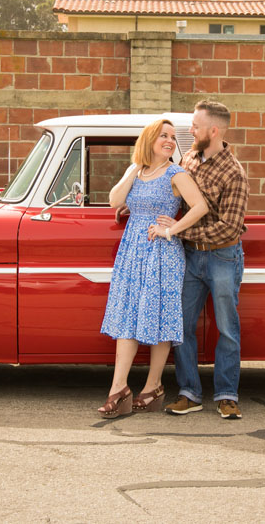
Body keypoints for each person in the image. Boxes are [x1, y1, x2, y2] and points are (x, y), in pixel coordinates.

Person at [97, 119, 208, 418]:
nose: (170, 141)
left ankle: (153, 386)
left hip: (162, 253)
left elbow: (199, 207)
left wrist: (173, 230)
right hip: (132, 250)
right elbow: (114, 200)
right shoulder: (138, 171)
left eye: (173, 137)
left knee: (159, 317)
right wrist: (135, 168)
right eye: (164, 136)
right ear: (149, 140)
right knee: (127, 315)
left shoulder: (176, 173)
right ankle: (118, 388)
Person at [157, 100, 249, 420]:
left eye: (195, 126)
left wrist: (180, 233)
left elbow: (229, 227)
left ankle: (226, 394)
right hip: (190, 257)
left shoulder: (234, 172)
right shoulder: (189, 158)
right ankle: (189, 392)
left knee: (227, 328)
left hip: (223, 257)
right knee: (181, 324)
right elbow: (175, 196)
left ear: (213, 130)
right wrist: (135, 204)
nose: (190, 130)